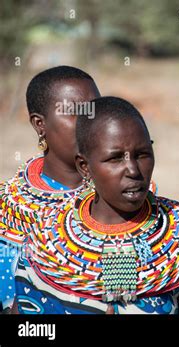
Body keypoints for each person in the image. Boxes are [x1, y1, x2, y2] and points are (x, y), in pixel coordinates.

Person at [14, 96, 179, 314]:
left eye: (142, 154)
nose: (133, 170)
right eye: (115, 158)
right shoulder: (46, 241)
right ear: (84, 166)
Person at [0, 65, 101, 312]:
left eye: (96, 112)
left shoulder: (124, 199)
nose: (91, 124)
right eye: (75, 113)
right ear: (39, 124)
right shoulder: (7, 210)